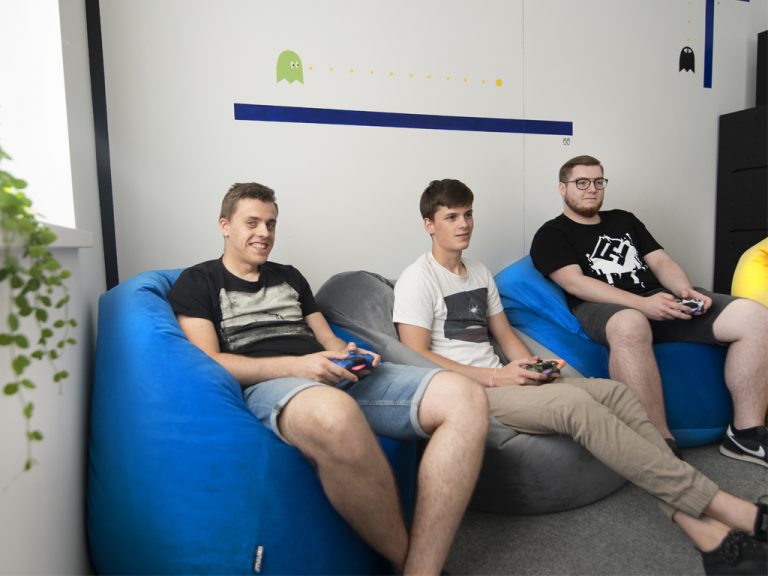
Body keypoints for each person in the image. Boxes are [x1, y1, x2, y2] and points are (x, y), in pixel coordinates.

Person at [393, 178, 767, 575]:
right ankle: (733, 511)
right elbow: (416, 356)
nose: (464, 224)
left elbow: (504, 335)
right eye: (451, 217)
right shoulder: (418, 278)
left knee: (618, 395)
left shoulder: (479, 272)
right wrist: (495, 379)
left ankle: (711, 539)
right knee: (578, 405)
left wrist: (533, 366)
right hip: (469, 391)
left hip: (506, 379)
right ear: (429, 225)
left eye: (467, 214)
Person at [167, 182, 489, 575]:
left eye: (271, 223)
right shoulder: (198, 281)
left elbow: (327, 338)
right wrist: (299, 367)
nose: (264, 233)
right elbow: (211, 363)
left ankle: (422, 569)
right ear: (225, 226)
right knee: (335, 413)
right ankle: (410, 563)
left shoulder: (289, 277)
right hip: (274, 385)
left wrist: (348, 353)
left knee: (465, 396)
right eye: (252, 223)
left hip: (330, 371)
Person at [529, 154, 768, 467]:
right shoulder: (552, 233)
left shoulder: (624, 219)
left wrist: (686, 292)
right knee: (631, 322)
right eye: (582, 183)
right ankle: (656, 442)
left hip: (658, 298)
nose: (592, 189)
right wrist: (642, 305)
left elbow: (660, 261)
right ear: (563, 188)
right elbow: (575, 283)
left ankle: (746, 434)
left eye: (598, 181)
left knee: (754, 316)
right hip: (602, 307)